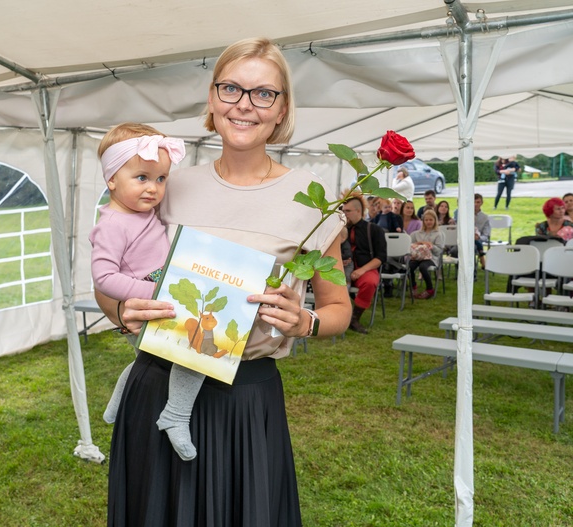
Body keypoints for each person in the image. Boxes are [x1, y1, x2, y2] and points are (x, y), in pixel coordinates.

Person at [96, 38, 351, 527]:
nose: (244, 105)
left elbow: (339, 308)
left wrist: (306, 322)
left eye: (263, 94)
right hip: (157, 386)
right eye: (231, 88)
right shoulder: (168, 185)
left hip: (245, 403)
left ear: (282, 110)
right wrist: (120, 311)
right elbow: (111, 282)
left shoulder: (314, 200)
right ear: (212, 100)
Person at [90, 123, 206, 462]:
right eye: (141, 178)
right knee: (197, 351)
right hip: (146, 300)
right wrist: (155, 288)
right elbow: (103, 276)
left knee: (150, 357)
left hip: (156, 293)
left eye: (160, 179)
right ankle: (176, 415)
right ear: (112, 179)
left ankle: (117, 402)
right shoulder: (112, 224)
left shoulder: (143, 213)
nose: (153, 188)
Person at [342, 193, 386, 334]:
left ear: (359, 211)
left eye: (347, 211)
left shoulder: (374, 230)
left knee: (370, 282)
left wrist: (362, 270)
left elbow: (381, 257)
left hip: (365, 269)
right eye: (343, 211)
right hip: (343, 269)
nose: (344, 214)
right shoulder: (341, 230)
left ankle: (354, 318)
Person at [408, 209, 444, 299]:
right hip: (418, 257)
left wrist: (431, 246)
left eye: (431, 220)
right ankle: (413, 286)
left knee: (423, 267)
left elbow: (439, 251)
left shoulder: (439, 234)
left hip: (431, 258)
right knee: (409, 266)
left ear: (435, 221)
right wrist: (419, 243)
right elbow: (410, 246)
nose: (428, 222)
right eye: (426, 220)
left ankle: (430, 289)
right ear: (423, 221)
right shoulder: (415, 234)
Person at [474, 193, 490, 269]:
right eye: (474, 202)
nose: (475, 204)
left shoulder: (485, 218)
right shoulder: (464, 215)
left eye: (478, 202)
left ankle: (473, 274)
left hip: (477, 239)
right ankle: (482, 259)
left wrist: (478, 237)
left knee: (473, 248)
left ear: (481, 203)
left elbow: (486, 235)